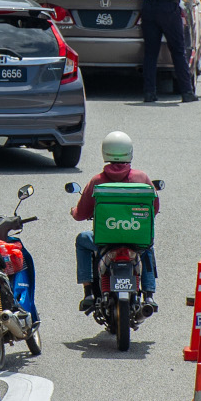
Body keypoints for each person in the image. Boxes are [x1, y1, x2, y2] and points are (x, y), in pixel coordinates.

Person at [70, 131, 159, 311]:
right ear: (129, 152)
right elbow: (154, 208)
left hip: (104, 240)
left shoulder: (97, 181)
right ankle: (149, 296)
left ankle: (87, 291)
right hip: (136, 239)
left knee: (82, 240)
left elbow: (81, 214)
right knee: (147, 247)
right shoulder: (142, 178)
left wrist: (73, 211)